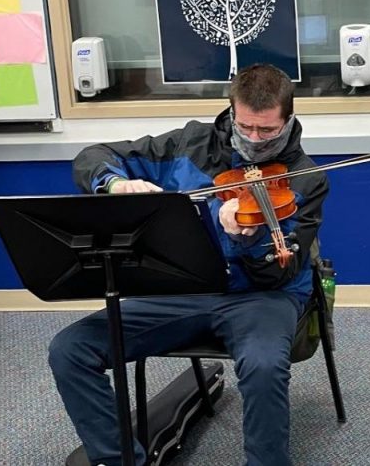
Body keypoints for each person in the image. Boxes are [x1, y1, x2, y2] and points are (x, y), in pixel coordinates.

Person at [48, 64, 328, 466]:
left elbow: (279, 272)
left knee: (265, 366)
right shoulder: (190, 144)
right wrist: (115, 184)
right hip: (183, 289)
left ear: (288, 121)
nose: (253, 140)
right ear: (231, 111)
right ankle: (120, 459)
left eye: (267, 131)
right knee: (70, 348)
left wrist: (243, 239)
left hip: (262, 298)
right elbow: (94, 156)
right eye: (244, 126)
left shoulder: (306, 179)